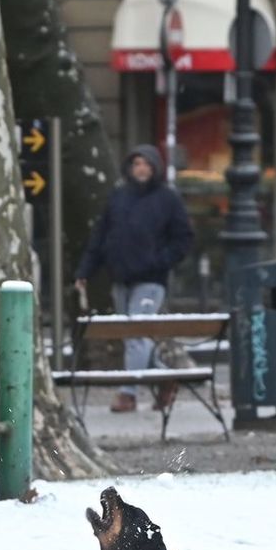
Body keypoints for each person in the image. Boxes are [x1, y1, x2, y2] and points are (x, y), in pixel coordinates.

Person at [73, 145, 196, 413]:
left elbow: (183, 239)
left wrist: (159, 261)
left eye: (146, 164)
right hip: (121, 278)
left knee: (136, 334)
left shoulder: (167, 199)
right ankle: (164, 378)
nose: (141, 169)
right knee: (132, 336)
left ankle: (127, 393)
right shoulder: (118, 197)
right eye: (136, 163)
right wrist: (85, 271)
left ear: (155, 168)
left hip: (151, 280)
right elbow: (100, 237)